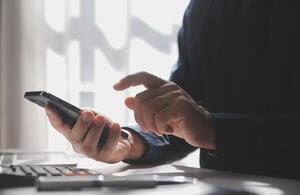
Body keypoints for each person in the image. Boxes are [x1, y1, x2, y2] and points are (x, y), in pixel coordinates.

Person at [46, 0, 300, 180]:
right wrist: (128, 143)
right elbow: (185, 123)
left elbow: (203, 126)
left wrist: (212, 130)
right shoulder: (203, 8)